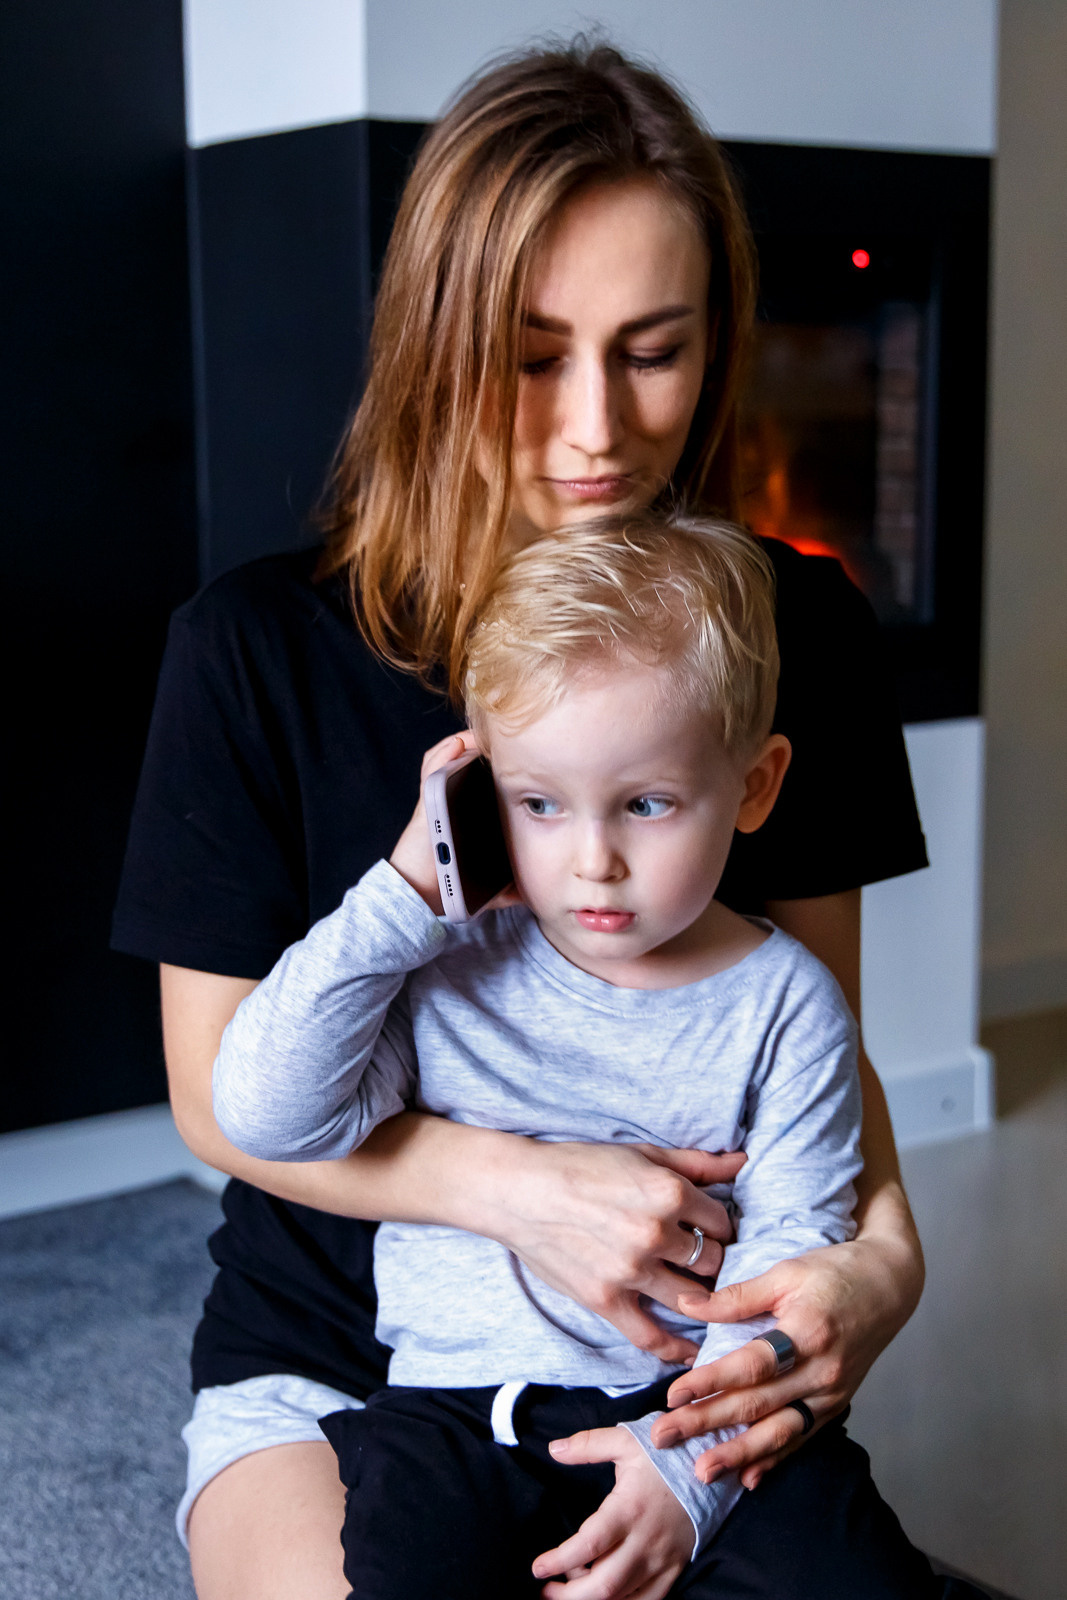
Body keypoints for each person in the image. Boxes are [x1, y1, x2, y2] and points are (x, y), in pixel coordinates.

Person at [113, 40, 933, 1600]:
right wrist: (518, 1192)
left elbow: (816, 1051)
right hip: (342, 1356)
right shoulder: (251, 651)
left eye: (651, 352)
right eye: (530, 355)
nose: (594, 428)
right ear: (433, 342)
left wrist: (880, 1265)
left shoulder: (797, 634)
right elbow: (219, 1101)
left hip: (667, 1363)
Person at [210, 512, 956, 1600]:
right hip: (459, 1419)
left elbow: (793, 1240)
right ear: (477, 791)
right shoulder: (437, 968)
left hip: (690, 1410)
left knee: (854, 1578)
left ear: (753, 786)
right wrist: (403, 894)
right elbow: (264, 1112)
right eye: (539, 804)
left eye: (646, 804)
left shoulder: (787, 1001)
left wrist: (686, 1469)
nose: (592, 860)